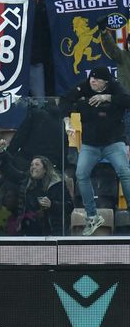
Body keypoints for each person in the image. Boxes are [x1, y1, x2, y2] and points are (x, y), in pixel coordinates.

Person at [59, 66, 130, 235]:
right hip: (90, 145)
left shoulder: (115, 87)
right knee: (81, 174)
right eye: (91, 78)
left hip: (114, 143)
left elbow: (127, 100)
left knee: (124, 172)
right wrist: (67, 119)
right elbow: (64, 100)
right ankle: (92, 216)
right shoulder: (84, 86)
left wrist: (108, 97)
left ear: (106, 82)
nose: (92, 81)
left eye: (96, 80)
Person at [0, 139, 73, 236]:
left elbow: (69, 206)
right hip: (29, 232)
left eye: (37, 164)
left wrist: (52, 205)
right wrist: (1, 152)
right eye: (31, 165)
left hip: (53, 233)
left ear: (45, 169)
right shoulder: (26, 180)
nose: (33, 167)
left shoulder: (57, 185)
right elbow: (9, 172)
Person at [99, 16, 130, 150]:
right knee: (126, 136)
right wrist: (104, 32)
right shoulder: (122, 56)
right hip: (127, 105)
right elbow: (110, 47)